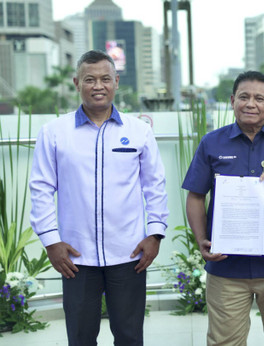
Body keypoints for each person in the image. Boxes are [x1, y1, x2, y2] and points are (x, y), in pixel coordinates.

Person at [29, 50, 170, 345]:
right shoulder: (54, 133)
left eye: (105, 79)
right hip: (75, 256)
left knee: (130, 336)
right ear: (76, 82)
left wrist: (155, 235)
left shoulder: (139, 131)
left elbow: (155, 186)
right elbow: (41, 189)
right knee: (80, 338)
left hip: (129, 253)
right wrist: (51, 241)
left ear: (116, 82)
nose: (98, 86)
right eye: (89, 79)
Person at [182, 71, 264, 346]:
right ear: (233, 101)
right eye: (244, 97)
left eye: (259, 98)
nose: (250, 104)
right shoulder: (212, 142)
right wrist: (201, 241)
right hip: (226, 267)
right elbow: (195, 195)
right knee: (223, 342)